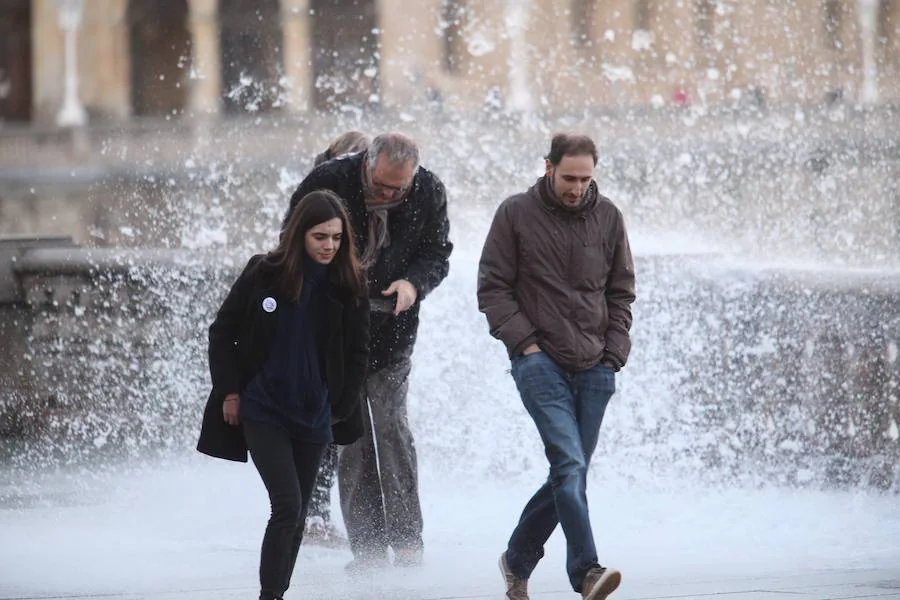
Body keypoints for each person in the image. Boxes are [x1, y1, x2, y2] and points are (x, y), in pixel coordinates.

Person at [283, 132, 453, 570]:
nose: (390, 195)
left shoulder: (428, 190)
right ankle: (370, 549)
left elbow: (437, 253)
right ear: (367, 164)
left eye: (399, 188)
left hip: (393, 330)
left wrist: (414, 284)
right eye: (381, 187)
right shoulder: (328, 182)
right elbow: (291, 244)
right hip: (334, 334)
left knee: (393, 432)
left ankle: (409, 542)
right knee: (351, 441)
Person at [477, 133, 635, 600]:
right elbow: (492, 288)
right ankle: (586, 572)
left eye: (586, 178)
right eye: (569, 177)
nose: (578, 187)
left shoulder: (608, 218)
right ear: (548, 167)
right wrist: (525, 345)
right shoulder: (515, 213)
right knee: (568, 462)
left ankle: (517, 559)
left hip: (595, 365)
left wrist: (614, 353)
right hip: (538, 360)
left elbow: (621, 291)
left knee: (571, 472)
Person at [197, 190, 370, 600]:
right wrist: (230, 393)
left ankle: (277, 591)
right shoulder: (264, 273)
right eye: (320, 237)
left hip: (315, 417)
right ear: (299, 236)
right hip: (263, 409)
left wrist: (339, 408)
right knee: (288, 506)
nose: (329, 246)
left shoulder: (350, 283)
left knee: (297, 515)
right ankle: (269, 596)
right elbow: (223, 332)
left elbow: (359, 351)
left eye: (336, 238)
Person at [304, 131, 372, 548]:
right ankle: (311, 514)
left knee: (338, 425)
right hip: (318, 323)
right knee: (321, 423)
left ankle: (319, 514)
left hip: (349, 322)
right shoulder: (316, 197)